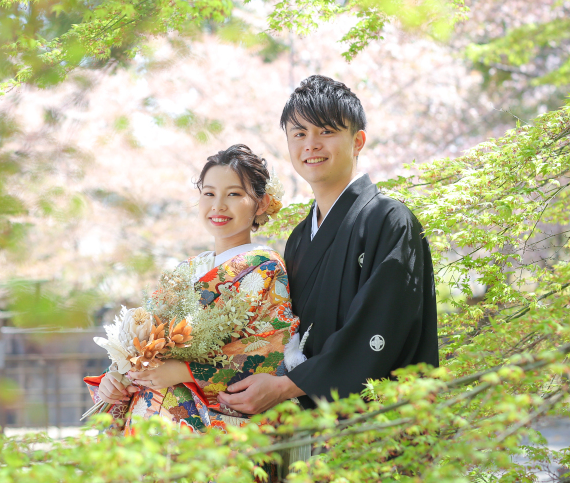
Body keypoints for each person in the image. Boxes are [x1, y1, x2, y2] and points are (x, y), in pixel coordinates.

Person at [217, 75, 439, 414]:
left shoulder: (389, 220)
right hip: (304, 426)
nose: (311, 144)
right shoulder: (298, 240)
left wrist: (286, 387)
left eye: (327, 131)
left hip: (378, 425)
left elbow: (379, 329)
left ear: (358, 141)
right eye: (300, 134)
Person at [84, 144, 303, 433]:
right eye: (209, 193)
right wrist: (119, 377)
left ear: (261, 204)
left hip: (207, 425)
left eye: (234, 194)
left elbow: (272, 347)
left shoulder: (264, 266)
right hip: (149, 418)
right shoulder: (185, 270)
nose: (218, 206)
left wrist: (185, 371)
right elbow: (144, 342)